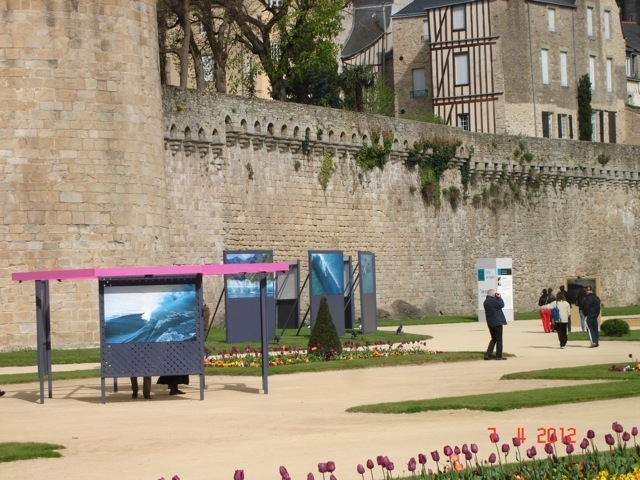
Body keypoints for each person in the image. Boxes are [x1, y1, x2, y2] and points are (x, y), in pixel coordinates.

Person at [484, 289, 508, 360]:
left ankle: (488, 354)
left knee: (494, 339)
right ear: (493, 294)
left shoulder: (486, 302)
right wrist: (499, 297)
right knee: (499, 339)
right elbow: (502, 305)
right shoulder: (493, 301)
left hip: (490, 323)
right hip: (497, 322)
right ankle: (499, 355)